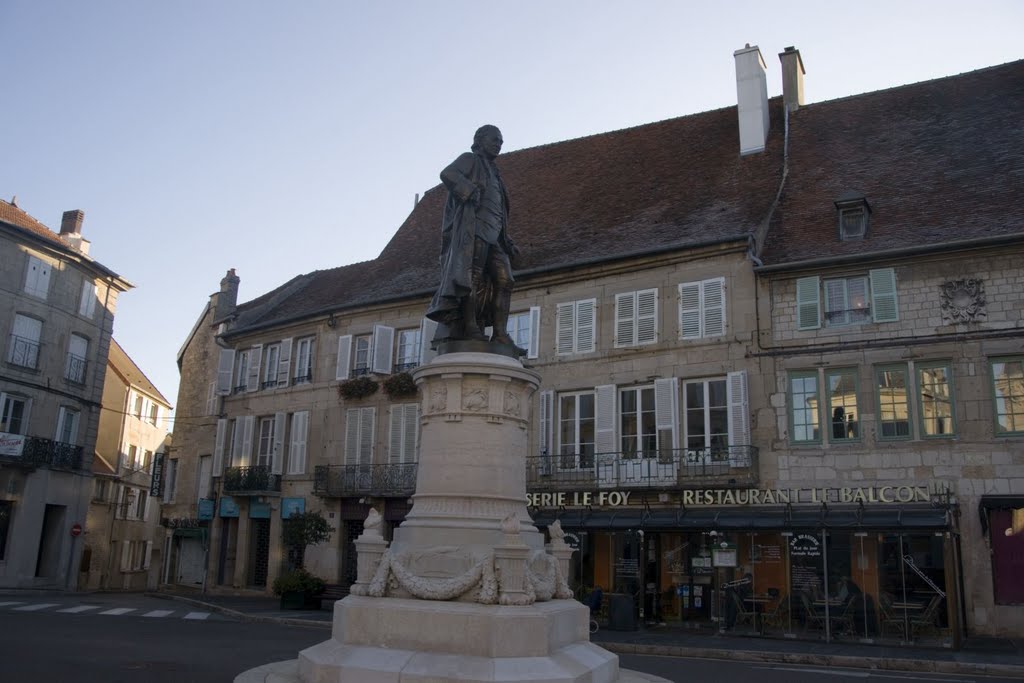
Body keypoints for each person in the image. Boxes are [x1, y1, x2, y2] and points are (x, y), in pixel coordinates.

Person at [426, 125, 521, 349]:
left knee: (505, 280)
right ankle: (471, 327)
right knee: (472, 278)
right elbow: (447, 173)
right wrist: (469, 189)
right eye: (494, 139)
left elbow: (498, 209)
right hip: (474, 229)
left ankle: (500, 334)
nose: (498, 144)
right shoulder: (470, 159)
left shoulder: (496, 174)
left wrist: (506, 240)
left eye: (501, 141)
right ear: (479, 140)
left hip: (495, 235)